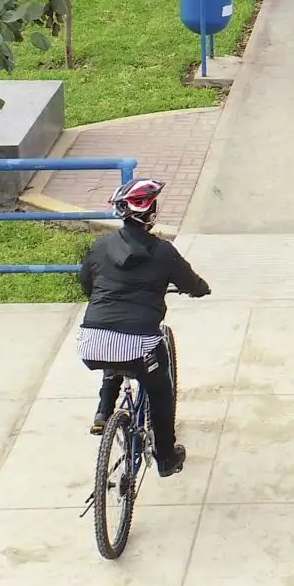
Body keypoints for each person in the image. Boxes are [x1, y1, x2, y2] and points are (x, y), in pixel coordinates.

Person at [78, 178, 210, 478]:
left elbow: (86, 283)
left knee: (114, 353)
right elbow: (191, 283)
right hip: (139, 343)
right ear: (151, 213)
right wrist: (201, 289)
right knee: (161, 392)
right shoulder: (163, 252)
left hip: (91, 339)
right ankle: (165, 457)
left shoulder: (100, 246)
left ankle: (104, 412)